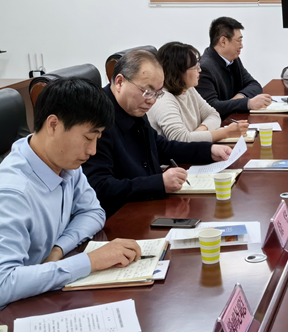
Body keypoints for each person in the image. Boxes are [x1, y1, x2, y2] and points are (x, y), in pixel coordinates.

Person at [0, 78, 143, 328]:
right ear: (53, 125)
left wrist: (58, 249)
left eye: (98, 138)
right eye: (88, 138)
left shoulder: (64, 163)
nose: (92, 150)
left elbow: (93, 212)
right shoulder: (11, 194)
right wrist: (90, 262)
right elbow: (1, 286)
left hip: (34, 298)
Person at [84, 49, 231, 217]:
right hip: (122, 218)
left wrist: (208, 150)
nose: (152, 100)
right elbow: (100, 188)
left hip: (149, 208)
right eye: (147, 91)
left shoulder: (133, 107)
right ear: (119, 82)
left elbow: (160, 147)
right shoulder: (96, 120)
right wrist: (158, 183)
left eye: (157, 93)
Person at [148, 41, 248, 143]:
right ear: (178, 72)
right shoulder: (163, 99)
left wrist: (201, 130)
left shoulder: (188, 89)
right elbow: (181, 140)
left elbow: (213, 114)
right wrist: (226, 133)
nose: (199, 70)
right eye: (195, 67)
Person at [197, 17, 272, 117]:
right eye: (238, 41)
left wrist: (238, 98)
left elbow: (254, 85)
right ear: (223, 41)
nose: (241, 46)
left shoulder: (233, 60)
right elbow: (211, 107)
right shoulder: (204, 68)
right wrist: (248, 103)